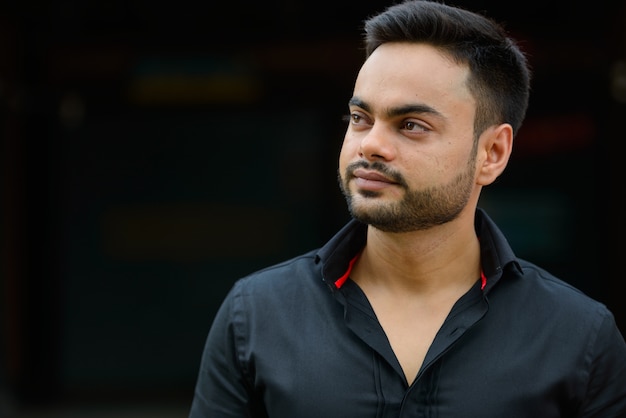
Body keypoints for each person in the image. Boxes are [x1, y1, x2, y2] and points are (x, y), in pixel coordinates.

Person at [188, 1, 626, 417]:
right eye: (360, 118)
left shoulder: (578, 337)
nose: (371, 144)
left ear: (492, 153)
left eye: (411, 125)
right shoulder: (257, 315)